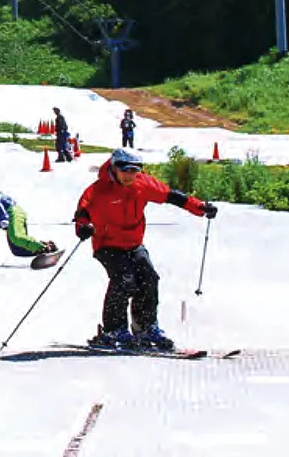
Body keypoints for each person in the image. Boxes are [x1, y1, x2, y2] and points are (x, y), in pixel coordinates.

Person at [72, 148, 217, 351]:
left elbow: (172, 196)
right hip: (107, 244)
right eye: (125, 169)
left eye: (135, 170)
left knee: (149, 278)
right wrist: (83, 228)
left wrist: (200, 207)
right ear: (114, 167)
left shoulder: (143, 184)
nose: (130, 174)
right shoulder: (98, 190)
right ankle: (114, 330)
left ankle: (146, 328)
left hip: (133, 243)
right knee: (124, 280)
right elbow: (82, 212)